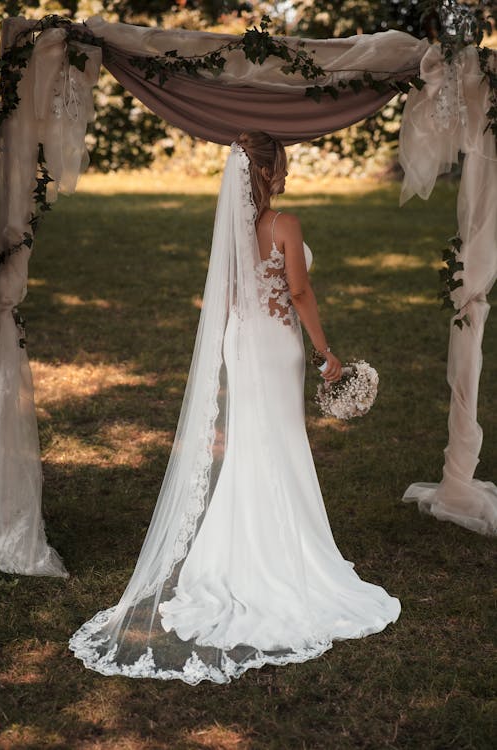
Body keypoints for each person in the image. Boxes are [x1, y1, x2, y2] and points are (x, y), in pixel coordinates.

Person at [70, 131, 400, 684]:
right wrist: (326, 352)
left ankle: (234, 550)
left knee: (252, 439)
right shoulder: (284, 225)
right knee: (280, 440)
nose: (288, 177)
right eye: (284, 169)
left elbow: (224, 296)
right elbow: (298, 291)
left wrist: (230, 344)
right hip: (275, 342)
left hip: (240, 341)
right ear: (269, 173)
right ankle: (280, 551)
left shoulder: (233, 228)